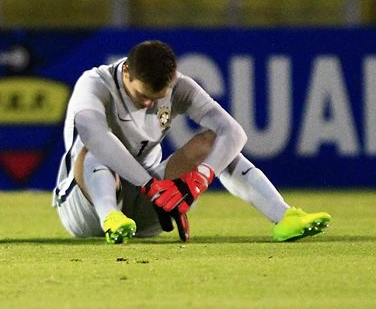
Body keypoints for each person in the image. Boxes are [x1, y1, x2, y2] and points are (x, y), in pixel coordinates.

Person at [53, 39, 330, 244]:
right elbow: (95, 136)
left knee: (216, 144)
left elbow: (233, 131)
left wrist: (202, 175)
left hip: (152, 203)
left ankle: (283, 217)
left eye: (156, 97)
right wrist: (149, 185)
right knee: (95, 150)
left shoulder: (178, 87)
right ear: (126, 72)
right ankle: (111, 218)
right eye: (142, 96)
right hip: (85, 207)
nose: (149, 103)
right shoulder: (94, 84)